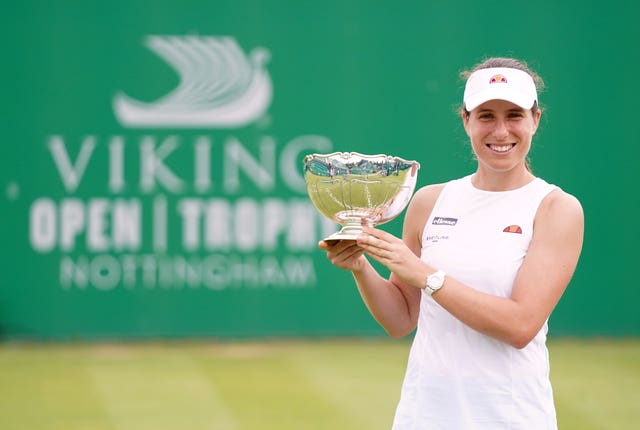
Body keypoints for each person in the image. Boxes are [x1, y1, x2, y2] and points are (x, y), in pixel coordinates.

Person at [318, 57, 584, 429]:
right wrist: (360, 266)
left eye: (514, 115)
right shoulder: (430, 201)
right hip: (423, 415)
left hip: (509, 417)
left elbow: (521, 325)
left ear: (535, 120)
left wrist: (428, 276)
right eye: (486, 115)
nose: (501, 130)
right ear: (466, 121)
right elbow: (400, 320)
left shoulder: (556, 208)